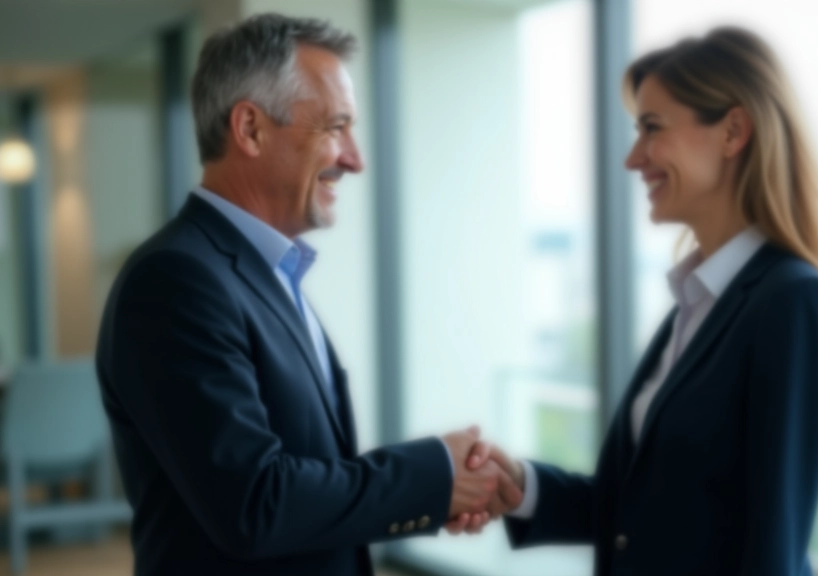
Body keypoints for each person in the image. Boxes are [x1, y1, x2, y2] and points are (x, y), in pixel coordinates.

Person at [96, 14, 518, 575]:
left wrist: (439, 492)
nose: (355, 158)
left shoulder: (267, 272)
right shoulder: (176, 281)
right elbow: (255, 503)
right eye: (335, 127)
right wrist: (434, 477)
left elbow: (305, 475)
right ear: (249, 129)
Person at [454, 26, 818, 576]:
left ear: (733, 131)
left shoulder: (794, 303)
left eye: (652, 129)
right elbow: (644, 515)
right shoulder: (699, 303)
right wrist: (520, 487)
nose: (632, 158)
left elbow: (773, 546)